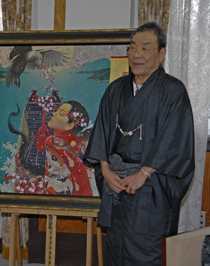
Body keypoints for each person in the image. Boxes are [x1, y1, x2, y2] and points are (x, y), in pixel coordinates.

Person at [83, 21, 195, 265]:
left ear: (162, 53)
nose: (137, 55)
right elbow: (101, 131)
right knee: (116, 251)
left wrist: (143, 173)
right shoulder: (115, 90)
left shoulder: (173, 91)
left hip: (151, 187)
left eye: (145, 48)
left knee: (147, 252)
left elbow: (175, 141)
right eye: (132, 48)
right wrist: (105, 169)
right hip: (116, 185)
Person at [45, 100, 93, 196]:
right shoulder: (82, 143)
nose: (54, 114)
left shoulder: (53, 141)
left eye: (61, 113)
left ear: (70, 125)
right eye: (57, 110)